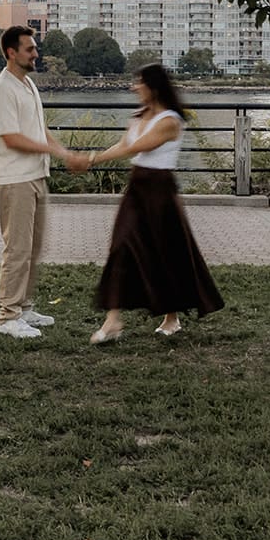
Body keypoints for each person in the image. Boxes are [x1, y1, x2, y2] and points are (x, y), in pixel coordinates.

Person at [72, 63, 224, 343]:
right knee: (121, 246)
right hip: (137, 188)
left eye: (139, 82)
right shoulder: (139, 115)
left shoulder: (170, 120)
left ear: (153, 86)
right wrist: (93, 158)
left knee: (165, 253)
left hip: (160, 191)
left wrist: (91, 159)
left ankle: (172, 317)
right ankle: (113, 320)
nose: (134, 87)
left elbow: (137, 147)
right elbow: (123, 145)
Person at [0, 25, 77, 339]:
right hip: (13, 178)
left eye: (35, 48)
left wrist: (61, 152)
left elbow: (38, 129)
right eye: (30, 49)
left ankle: (24, 308)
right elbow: (11, 138)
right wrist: (53, 150)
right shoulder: (2, 89)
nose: (36, 54)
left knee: (33, 249)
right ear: (12, 53)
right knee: (17, 249)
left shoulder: (27, 85)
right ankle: (8, 317)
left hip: (35, 175)